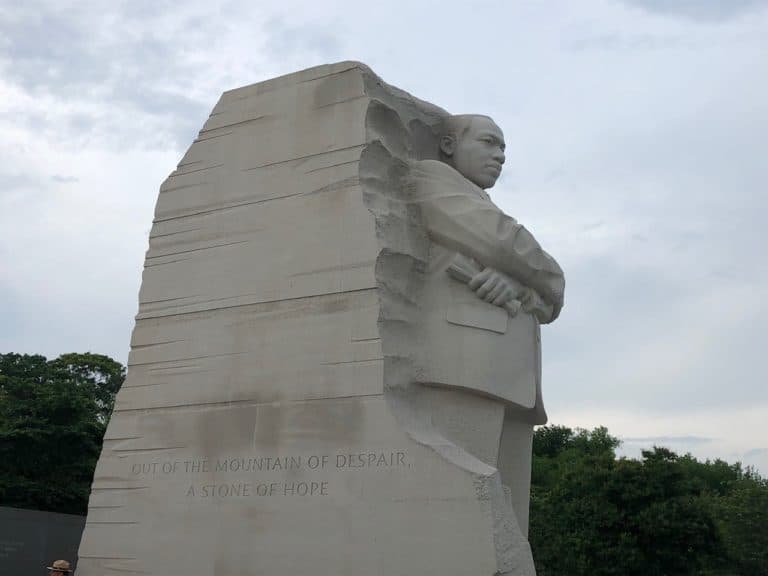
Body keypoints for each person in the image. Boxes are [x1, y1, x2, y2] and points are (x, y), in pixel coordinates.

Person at [408, 113, 565, 536]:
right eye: (489, 143)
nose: (499, 156)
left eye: (504, 149)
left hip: (512, 380)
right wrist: (550, 276)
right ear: (447, 145)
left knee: (508, 526)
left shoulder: (484, 204)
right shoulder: (430, 177)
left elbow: (545, 306)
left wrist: (520, 281)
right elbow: (499, 240)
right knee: (461, 522)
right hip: (463, 371)